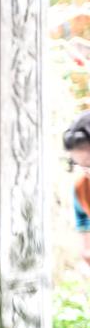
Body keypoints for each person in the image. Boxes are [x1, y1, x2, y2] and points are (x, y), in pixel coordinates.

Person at [64, 111, 90, 268]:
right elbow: (83, 219)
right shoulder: (82, 188)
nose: (86, 171)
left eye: (89, 163)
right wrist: (85, 248)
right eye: (77, 164)